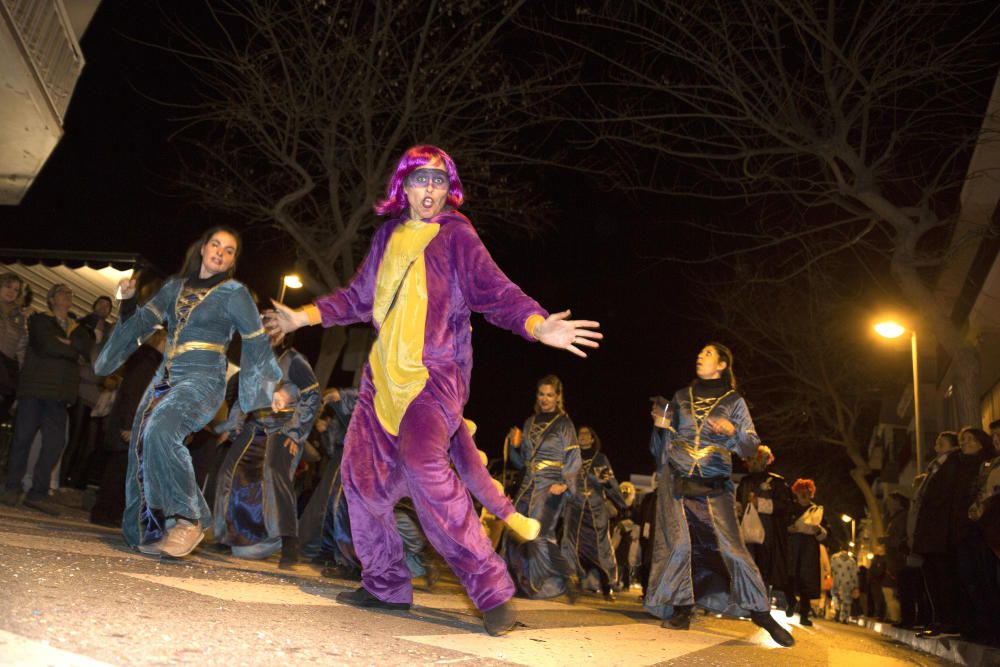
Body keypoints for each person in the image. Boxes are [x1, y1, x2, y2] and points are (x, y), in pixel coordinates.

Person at [263, 145, 601, 636]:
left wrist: (536, 323)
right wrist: (303, 316)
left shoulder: (457, 235)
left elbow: (494, 291)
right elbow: (358, 299)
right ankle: (385, 586)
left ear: (449, 188)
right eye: (420, 179)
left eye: (438, 181)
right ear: (404, 185)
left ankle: (492, 591)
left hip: (434, 380)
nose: (429, 190)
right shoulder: (386, 236)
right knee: (360, 484)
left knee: (425, 469)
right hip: (382, 383)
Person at [94, 227, 283, 559]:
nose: (220, 252)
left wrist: (271, 387)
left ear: (232, 259)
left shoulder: (235, 293)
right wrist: (126, 303)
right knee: (142, 443)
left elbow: (255, 340)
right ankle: (151, 528)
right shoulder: (173, 288)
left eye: (229, 250)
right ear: (202, 248)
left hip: (205, 377)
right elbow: (140, 326)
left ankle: (189, 518)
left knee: (161, 430)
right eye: (216, 245)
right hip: (166, 376)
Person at [645, 343, 794, 647]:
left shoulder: (733, 401)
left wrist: (733, 432)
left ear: (723, 365)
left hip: (715, 486)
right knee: (681, 545)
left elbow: (751, 445)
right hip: (678, 482)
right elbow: (660, 448)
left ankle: (760, 612)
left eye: (708, 354)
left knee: (732, 549)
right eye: (699, 352)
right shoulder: (680, 397)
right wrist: (661, 427)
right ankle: (682, 607)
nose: (700, 356)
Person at [212, 333, 321, 568]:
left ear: (284, 332)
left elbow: (312, 393)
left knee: (274, 476)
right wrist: (233, 425)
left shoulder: (294, 359)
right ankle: (228, 534)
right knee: (228, 474)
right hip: (255, 426)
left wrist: (295, 431)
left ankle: (289, 543)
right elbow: (244, 397)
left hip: (283, 428)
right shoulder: (253, 359)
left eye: (273, 326)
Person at [2, 284, 94, 515]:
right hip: (34, 390)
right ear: (52, 299)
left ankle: (38, 492)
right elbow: (47, 345)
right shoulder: (40, 321)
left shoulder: (78, 328)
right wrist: (72, 349)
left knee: (54, 444)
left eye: (70, 293)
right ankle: (11, 487)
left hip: (60, 396)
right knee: (22, 439)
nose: (68, 296)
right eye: (63, 292)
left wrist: (69, 345)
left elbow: (87, 349)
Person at [505, 375, 582, 600]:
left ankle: (562, 577)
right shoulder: (530, 422)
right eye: (541, 394)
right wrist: (515, 446)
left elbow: (574, 457)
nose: (545, 399)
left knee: (540, 533)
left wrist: (565, 483)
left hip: (551, 485)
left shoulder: (564, 424)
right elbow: (521, 463)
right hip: (529, 483)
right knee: (516, 530)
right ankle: (522, 582)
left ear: (558, 397)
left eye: (550, 395)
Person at [89, 328, 166, 527]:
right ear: (160, 340)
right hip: (129, 425)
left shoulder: (148, 362)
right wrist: (131, 425)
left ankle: (111, 512)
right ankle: (105, 512)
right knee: (119, 470)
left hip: (132, 423)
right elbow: (133, 396)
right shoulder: (146, 363)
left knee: (122, 469)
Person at [560, 425, 626, 601]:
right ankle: (572, 583)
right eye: (579, 434)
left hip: (596, 510)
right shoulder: (571, 458)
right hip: (575, 509)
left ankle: (607, 586)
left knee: (601, 547)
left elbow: (609, 483)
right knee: (572, 545)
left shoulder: (599, 459)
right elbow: (563, 482)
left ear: (592, 438)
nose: (582, 436)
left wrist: (621, 503)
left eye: (586, 434)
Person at [911, 431, 962, 638]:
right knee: (932, 578)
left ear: (952, 446)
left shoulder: (952, 464)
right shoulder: (935, 468)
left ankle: (947, 621)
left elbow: (941, 497)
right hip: (930, 532)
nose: (935, 447)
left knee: (942, 578)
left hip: (940, 532)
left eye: (941, 443)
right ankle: (938, 619)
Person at [951, 427, 998, 644]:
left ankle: (990, 628)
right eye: (963, 440)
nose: (965, 443)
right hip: (966, 530)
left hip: (982, 529)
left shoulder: (986, 465)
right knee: (970, 580)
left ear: (981, 442)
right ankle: (979, 626)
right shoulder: (964, 466)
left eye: (970, 439)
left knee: (985, 579)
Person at [735, 444, 793, 601]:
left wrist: (760, 503)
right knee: (746, 565)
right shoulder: (745, 481)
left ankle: (760, 601)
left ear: (763, 461)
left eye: (755, 459)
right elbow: (738, 501)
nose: (751, 463)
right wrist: (738, 509)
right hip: (745, 531)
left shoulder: (777, 482)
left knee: (764, 569)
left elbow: (785, 506)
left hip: (768, 533)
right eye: (750, 459)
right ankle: (746, 600)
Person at [785, 478, 827, 626]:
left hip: (809, 548)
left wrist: (819, 530)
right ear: (796, 492)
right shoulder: (789, 508)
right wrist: (788, 529)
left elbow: (825, 534)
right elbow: (781, 526)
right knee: (788, 576)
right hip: (792, 545)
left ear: (811, 493)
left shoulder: (817, 511)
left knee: (806, 581)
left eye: (807, 492)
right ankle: (791, 601)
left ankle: (804, 615)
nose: (804, 494)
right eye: (801, 491)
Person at [0, 272, 27, 423]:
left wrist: (21, 371)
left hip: (8, 362)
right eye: (8, 286)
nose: (12, 292)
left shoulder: (19, 316)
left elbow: (21, 347)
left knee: (9, 396)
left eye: (16, 289)